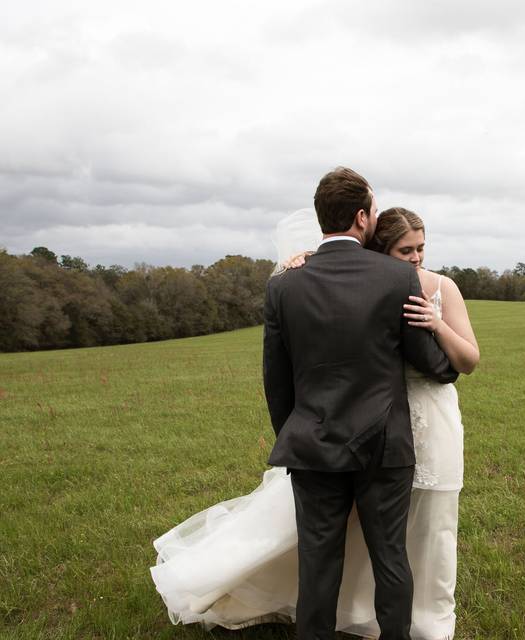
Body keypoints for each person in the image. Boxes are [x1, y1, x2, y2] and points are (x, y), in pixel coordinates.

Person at [150, 177, 479, 640]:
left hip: (312, 443)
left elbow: (276, 379)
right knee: (391, 559)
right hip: (384, 446)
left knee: (318, 560)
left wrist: (297, 434)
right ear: (362, 217)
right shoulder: (398, 278)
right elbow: (434, 365)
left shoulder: (284, 283)